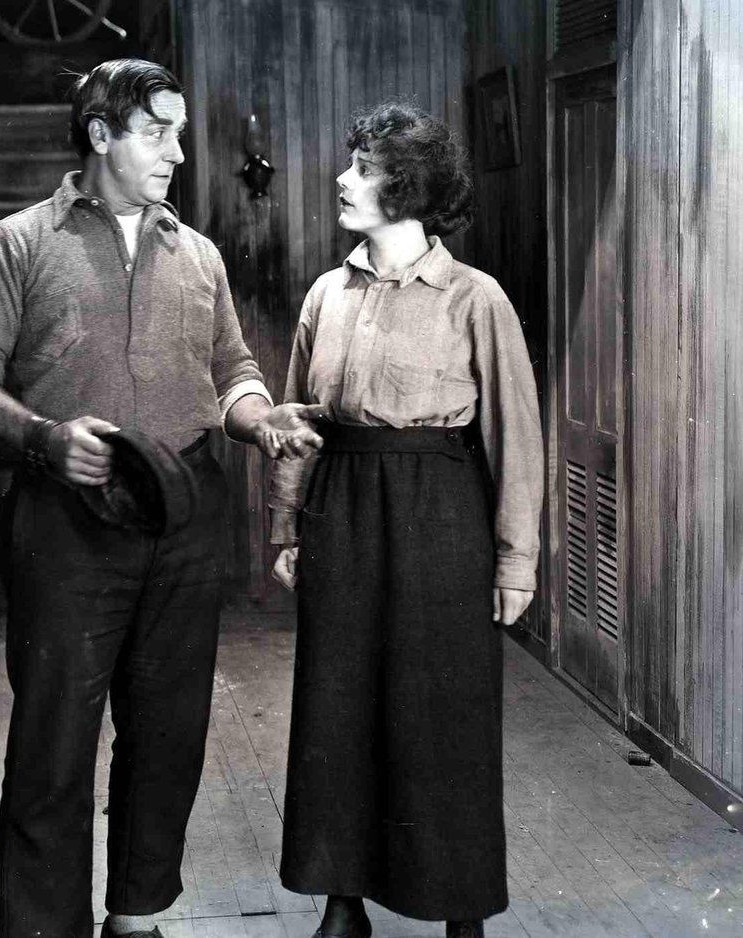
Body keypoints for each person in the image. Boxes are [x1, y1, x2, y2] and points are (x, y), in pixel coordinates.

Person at [0, 58, 322, 938]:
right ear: (101, 134)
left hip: (185, 517)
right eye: (157, 132)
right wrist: (44, 437)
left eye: (179, 133)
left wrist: (260, 420)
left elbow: (234, 372)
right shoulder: (17, 243)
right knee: (53, 744)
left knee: (169, 734)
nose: (177, 152)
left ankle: (137, 916)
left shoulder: (200, 253)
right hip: (63, 522)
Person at [269, 102, 543, 938]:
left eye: (363, 168)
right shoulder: (327, 293)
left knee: (444, 712)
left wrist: (516, 560)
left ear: (409, 187)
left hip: (441, 514)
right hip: (341, 511)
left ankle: (461, 911)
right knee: (336, 707)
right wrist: (286, 526)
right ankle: (342, 902)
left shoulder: (476, 298)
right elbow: (297, 420)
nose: (343, 180)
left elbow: (516, 435)